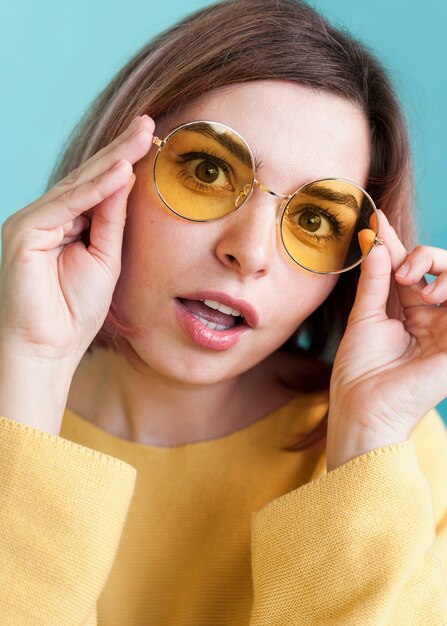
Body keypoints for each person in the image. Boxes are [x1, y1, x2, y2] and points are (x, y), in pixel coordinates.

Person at [1, 0, 446, 623]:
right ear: (112, 171)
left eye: (316, 219)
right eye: (210, 171)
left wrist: (367, 444)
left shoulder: (397, 455)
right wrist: (32, 369)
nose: (251, 251)